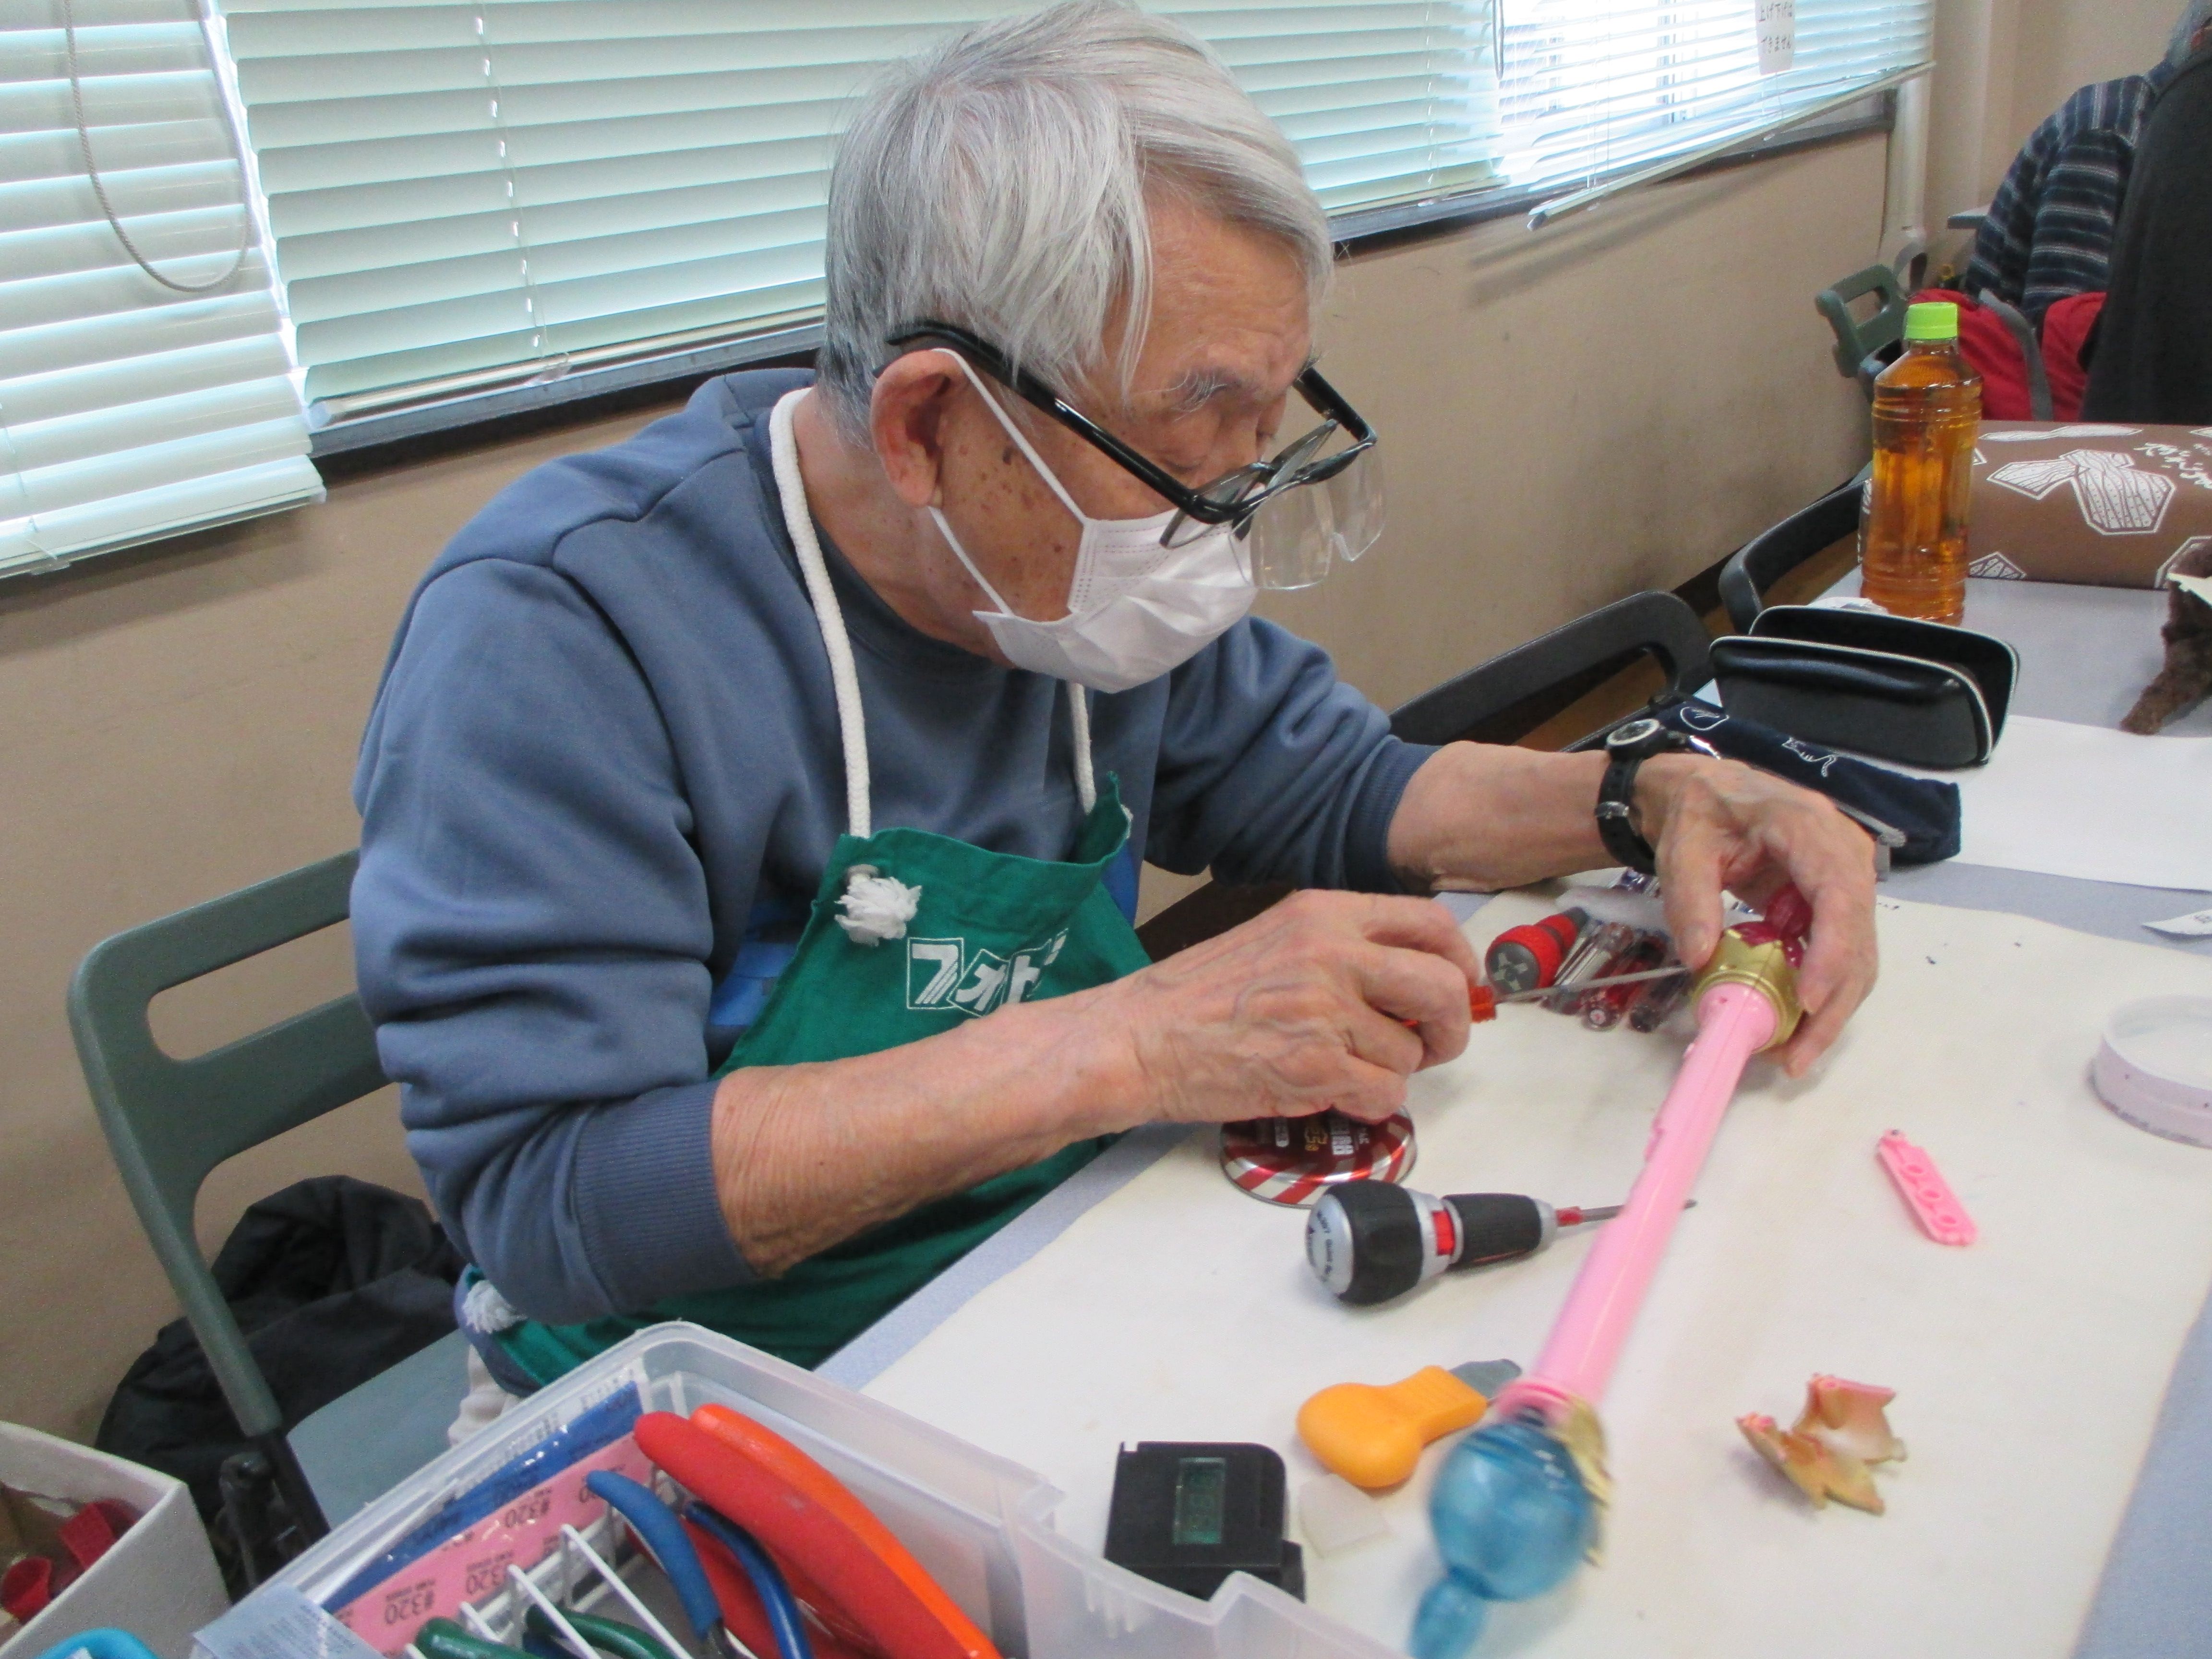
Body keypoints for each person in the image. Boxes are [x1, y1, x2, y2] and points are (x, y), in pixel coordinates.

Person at [351, 0, 1878, 1418]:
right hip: (690, 1395)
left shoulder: (1062, 571)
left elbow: (1337, 782)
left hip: (1034, 1255)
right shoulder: (564, 636)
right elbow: (562, 1201)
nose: (1227, 513)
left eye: (1265, 428)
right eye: (1193, 440)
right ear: (928, 424)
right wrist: (1136, 1043)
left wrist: (1652, 792)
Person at [1962, 0, 2212, 325]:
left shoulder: (2185, 135)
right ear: (2203, 45)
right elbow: (2065, 325)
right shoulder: (2108, 133)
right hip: (2029, 352)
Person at [2081, 14, 2212, 422]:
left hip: (2141, 424)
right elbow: (2057, 304)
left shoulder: (2184, 97)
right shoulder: (2110, 124)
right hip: (2173, 432)